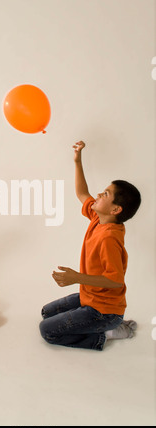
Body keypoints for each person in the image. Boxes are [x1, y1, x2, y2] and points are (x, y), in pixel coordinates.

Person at [39, 141, 141, 351]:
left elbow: (115, 280)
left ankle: (109, 332)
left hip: (104, 312)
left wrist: (76, 277)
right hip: (90, 298)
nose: (99, 195)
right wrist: (77, 161)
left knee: (47, 331)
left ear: (115, 209)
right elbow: (81, 193)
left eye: (106, 194)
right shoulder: (98, 217)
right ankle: (104, 326)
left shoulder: (109, 238)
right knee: (46, 313)